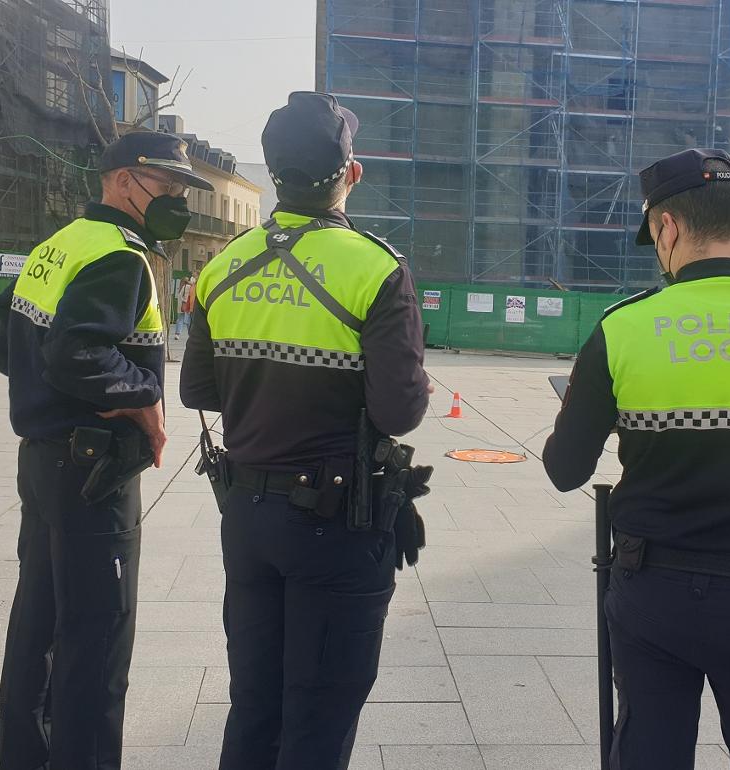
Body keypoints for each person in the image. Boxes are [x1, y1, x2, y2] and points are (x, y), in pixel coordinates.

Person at [542, 148, 730, 770]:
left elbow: (564, 468)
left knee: (650, 749)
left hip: (653, 590)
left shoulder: (624, 327)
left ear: (668, 227)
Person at [179, 92, 431, 770]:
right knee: (319, 714)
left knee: (256, 704)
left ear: (275, 174)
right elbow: (400, 411)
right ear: (350, 173)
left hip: (247, 516)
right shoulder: (374, 268)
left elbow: (197, 390)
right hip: (337, 521)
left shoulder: (224, 266)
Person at [0, 131, 214, 770]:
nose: (175, 200)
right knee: (98, 638)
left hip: (43, 458)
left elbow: (0, 339)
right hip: (92, 472)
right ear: (119, 180)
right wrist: (142, 396)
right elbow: (76, 351)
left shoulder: (57, 247)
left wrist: (45, 396)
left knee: (38, 626)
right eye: (164, 185)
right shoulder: (120, 257)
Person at [174, 273, 195, 340]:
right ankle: (191, 335)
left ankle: (177, 334)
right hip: (187, 305)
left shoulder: (182, 286)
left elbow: (180, 296)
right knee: (188, 321)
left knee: (180, 319)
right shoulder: (190, 287)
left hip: (181, 305)